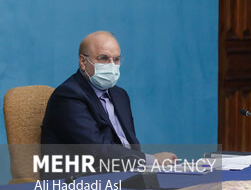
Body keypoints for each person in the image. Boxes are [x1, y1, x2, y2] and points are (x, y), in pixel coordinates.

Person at [41, 31, 176, 165]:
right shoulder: (68, 96)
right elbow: (97, 151)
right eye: (104, 58)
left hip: (124, 173)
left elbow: (130, 146)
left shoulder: (120, 95)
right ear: (83, 61)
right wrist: (151, 160)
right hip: (80, 181)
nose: (111, 65)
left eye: (116, 59)